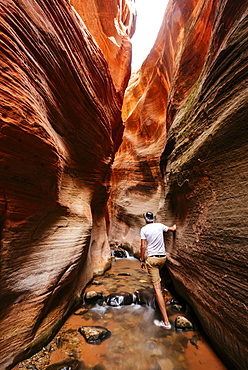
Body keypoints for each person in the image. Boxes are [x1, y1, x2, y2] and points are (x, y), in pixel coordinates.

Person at [140, 211, 176, 329]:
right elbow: (172, 229)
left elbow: (143, 246)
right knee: (159, 277)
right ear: (153, 219)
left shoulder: (144, 229)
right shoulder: (160, 226)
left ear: (145, 219)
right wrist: (175, 226)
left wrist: (141, 259)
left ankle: (166, 322)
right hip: (163, 259)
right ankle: (164, 293)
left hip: (152, 260)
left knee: (157, 288)